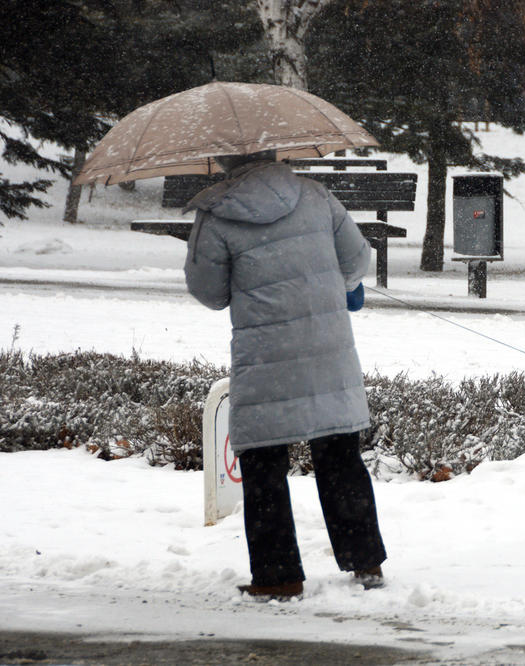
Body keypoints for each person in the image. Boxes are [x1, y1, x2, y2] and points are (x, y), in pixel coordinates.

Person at [184, 150, 386, 600]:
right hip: (326, 348)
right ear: (274, 151)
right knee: (338, 455)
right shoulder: (315, 196)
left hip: (265, 357)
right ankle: (365, 563)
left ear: (223, 159)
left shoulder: (216, 214)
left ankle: (279, 577)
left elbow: (209, 292)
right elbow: (356, 261)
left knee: (263, 465)